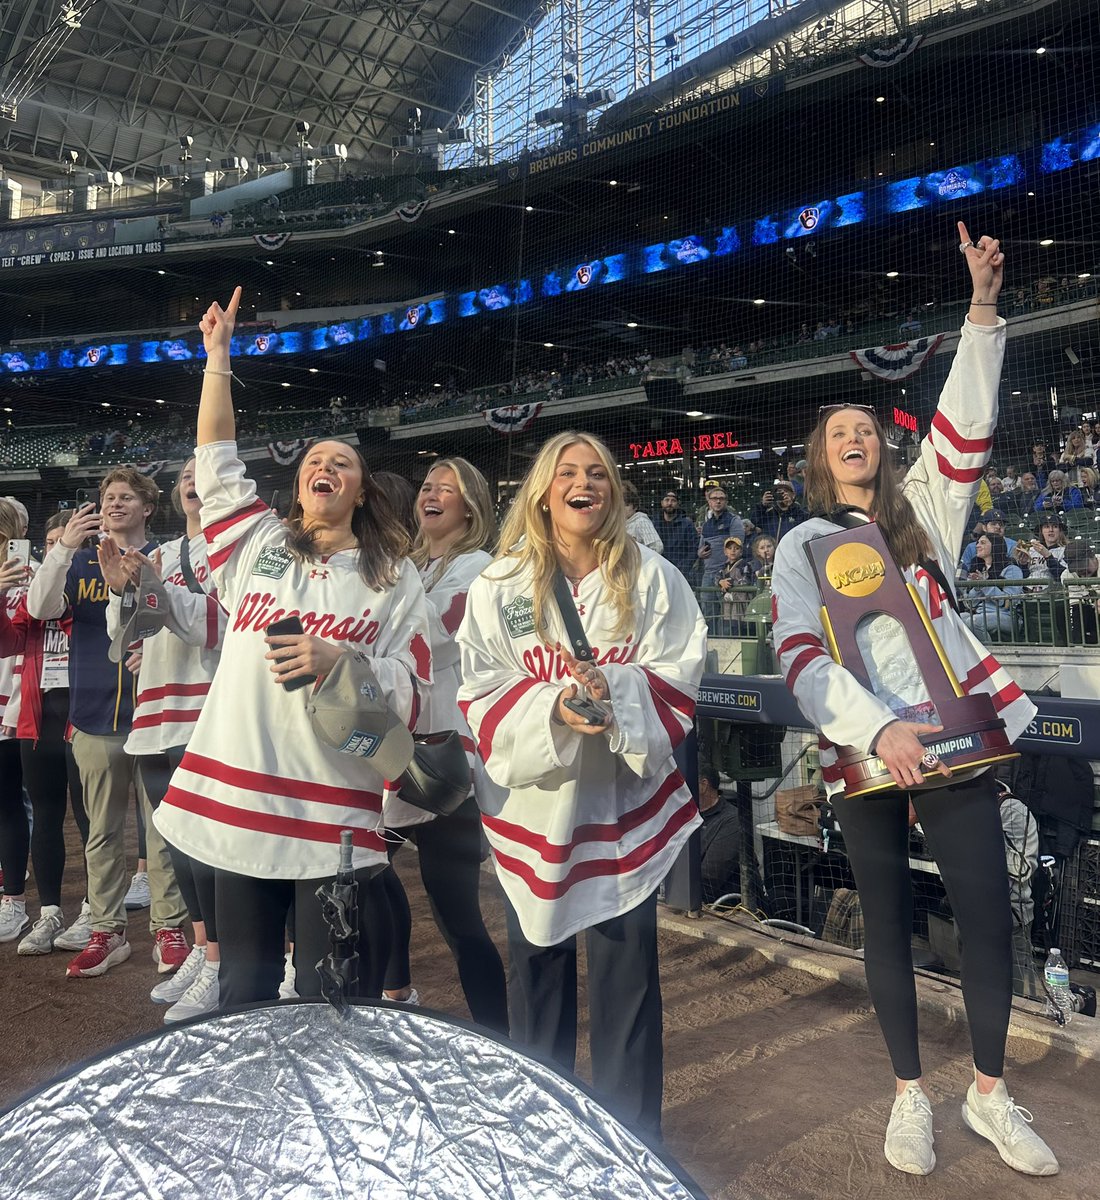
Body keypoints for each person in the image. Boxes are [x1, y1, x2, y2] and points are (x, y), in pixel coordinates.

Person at [772, 226, 1057, 1177]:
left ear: (883, 448)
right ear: (821, 460)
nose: (854, 438)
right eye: (837, 434)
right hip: (866, 754)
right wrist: (878, 726)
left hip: (956, 742)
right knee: (886, 921)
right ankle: (908, 1094)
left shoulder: (926, 509)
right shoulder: (799, 545)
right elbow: (799, 658)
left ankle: (988, 1093)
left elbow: (965, 421)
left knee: (988, 914)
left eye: (866, 428)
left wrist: (980, 310)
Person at [153, 287, 432, 1006]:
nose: (325, 465)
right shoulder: (257, 543)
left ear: (361, 492)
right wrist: (218, 359)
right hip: (241, 796)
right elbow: (216, 458)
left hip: (332, 813)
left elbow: (423, 689)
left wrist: (346, 663)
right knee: (244, 988)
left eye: (342, 461)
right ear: (301, 486)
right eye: (315, 459)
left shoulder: (393, 578)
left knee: (328, 996)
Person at [457, 430, 707, 1135]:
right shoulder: (500, 584)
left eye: (597, 472)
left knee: (627, 985)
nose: (584, 483)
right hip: (533, 815)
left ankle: (632, 1140)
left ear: (613, 491)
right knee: (535, 981)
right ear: (544, 491)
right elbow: (477, 686)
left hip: (623, 815)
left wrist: (614, 690)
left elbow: (681, 672)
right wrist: (555, 708)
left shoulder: (653, 577)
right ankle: (548, 1135)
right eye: (568, 472)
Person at [26, 469, 189, 980]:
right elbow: (39, 607)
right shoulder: (78, 561)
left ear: (147, 507)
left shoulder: (167, 558)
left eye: (126, 497)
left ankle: (168, 927)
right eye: (108, 497)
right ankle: (107, 930)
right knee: (101, 831)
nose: (115, 504)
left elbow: (187, 623)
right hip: (94, 716)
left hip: (157, 713)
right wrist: (62, 549)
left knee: (162, 828)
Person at [379, 458, 508, 1035]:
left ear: (470, 506)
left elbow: (431, 632)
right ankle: (394, 992)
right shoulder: (411, 564)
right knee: (364, 875)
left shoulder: (479, 568)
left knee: (458, 917)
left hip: (445, 760)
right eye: (426, 485)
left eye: (446, 489)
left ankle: (499, 1037)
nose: (430, 494)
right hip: (397, 752)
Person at [100, 458, 227, 1023]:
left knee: (208, 846)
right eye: (185, 476)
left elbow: (225, 625)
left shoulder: (237, 550)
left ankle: (222, 960)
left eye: (204, 472)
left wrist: (157, 596)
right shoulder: (164, 553)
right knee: (176, 843)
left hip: (205, 709)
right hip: (155, 711)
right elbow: (125, 635)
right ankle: (202, 948)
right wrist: (121, 594)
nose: (193, 481)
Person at [0, 512, 90, 955]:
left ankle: (95, 910)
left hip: (86, 714)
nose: (58, 549)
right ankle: (49, 912)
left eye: (67, 542)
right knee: (47, 816)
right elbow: (12, 637)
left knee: (91, 820)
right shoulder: (31, 588)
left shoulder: (89, 588)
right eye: (52, 542)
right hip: (38, 717)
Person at [0, 500, 31, 941]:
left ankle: (13, 900)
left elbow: (14, 644)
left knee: (9, 801)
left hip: (12, 701)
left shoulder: (29, 573)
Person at [961, 533, 1024, 643]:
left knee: (974, 622)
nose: (977, 546)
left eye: (983, 543)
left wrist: (985, 585)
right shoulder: (979, 568)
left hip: (1007, 616)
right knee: (956, 618)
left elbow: (1007, 603)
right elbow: (971, 604)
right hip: (980, 613)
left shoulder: (1012, 569)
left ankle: (987, 652)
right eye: (978, 543)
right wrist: (977, 587)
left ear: (995, 546)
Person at [697, 766, 741, 905]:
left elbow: (709, 878)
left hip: (725, 908)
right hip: (687, 900)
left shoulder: (732, 820)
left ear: (703, 785)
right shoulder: (684, 816)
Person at [697, 486, 742, 588]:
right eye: (714, 498)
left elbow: (738, 547)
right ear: (709, 502)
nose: (718, 501)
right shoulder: (706, 525)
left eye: (721, 498)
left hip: (727, 574)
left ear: (726, 502)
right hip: (708, 574)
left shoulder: (734, 521)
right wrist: (700, 553)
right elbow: (700, 548)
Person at [1017, 513, 1067, 583]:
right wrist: (1023, 565)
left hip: (1052, 588)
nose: (1051, 530)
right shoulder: (1031, 550)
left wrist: (1048, 556)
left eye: (1055, 526)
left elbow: (1063, 577)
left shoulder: (1065, 551)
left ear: (1060, 531)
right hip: (1028, 587)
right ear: (1041, 531)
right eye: (1046, 527)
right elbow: (1023, 577)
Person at [657, 491, 698, 578]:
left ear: (678, 504)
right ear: (662, 503)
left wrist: (682, 569)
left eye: (673, 500)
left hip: (681, 573)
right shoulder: (654, 524)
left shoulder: (687, 524)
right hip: (660, 571)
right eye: (667, 500)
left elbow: (693, 549)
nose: (669, 503)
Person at [621, 480, 663, 552]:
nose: (623, 508)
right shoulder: (619, 524)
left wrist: (642, 557)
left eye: (627, 505)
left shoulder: (641, 521)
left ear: (635, 507)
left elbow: (657, 546)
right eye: (620, 505)